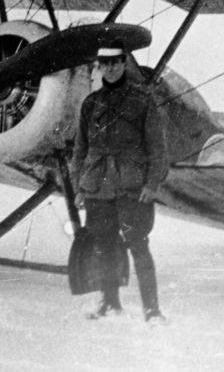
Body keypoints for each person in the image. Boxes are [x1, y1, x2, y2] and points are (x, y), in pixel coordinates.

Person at [71, 42, 167, 323]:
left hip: (132, 186)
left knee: (138, 245)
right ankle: (109, 303)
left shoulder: (143, 100)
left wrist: (152, 184)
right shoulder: (91, 103)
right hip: (98, 186)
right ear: (99, 65)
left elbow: (158, 148)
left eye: (115, 62)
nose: (110, 68)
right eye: (105, 63)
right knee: (103, 245)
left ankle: (152, 310)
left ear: (124, 64)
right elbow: (80, 149)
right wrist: (79, 186)